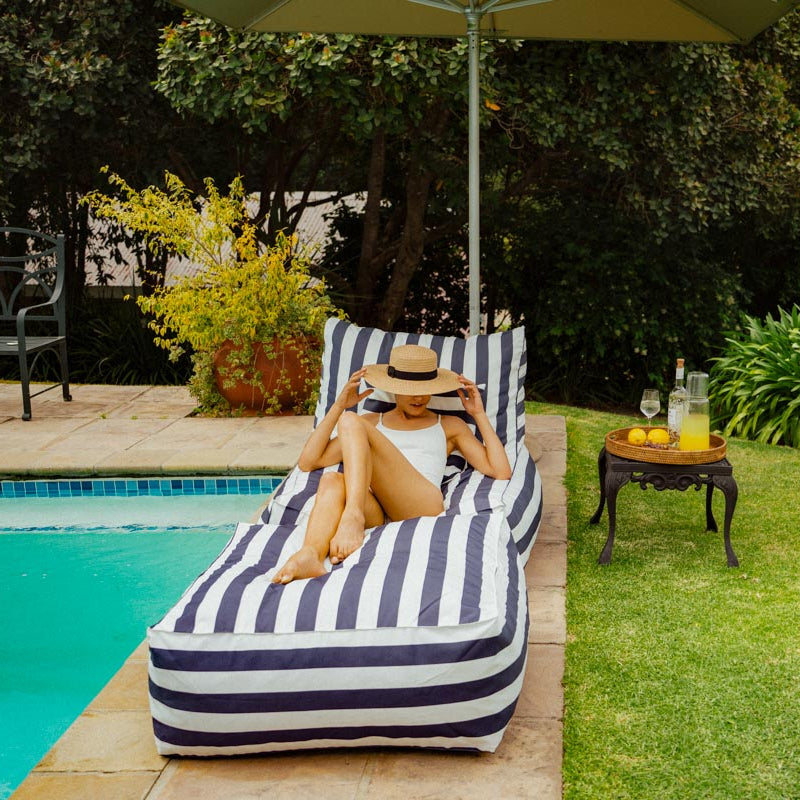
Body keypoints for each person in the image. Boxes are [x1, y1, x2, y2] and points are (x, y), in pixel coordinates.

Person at [272, 344, 512, 584]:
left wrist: (479, 415)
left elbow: (500, 471)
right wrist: (338, 407)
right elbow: (309, 462)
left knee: (351, 422)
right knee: (331, 480)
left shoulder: (449, 425)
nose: (418, 397)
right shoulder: (371, 422)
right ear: (395, 389)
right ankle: (311, 554)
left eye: (425, 389)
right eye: (410, 389)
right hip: (378, 508)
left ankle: (352, 515)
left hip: (421, 504)